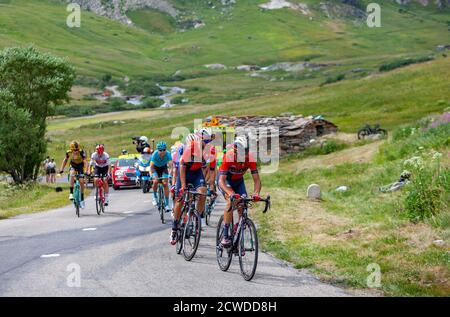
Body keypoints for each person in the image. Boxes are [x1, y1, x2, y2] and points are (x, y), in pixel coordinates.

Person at [217, 135, 262, 247]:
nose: (244, 155)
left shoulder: (250, 158)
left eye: (246, 153)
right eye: (242, 153)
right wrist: (230, 193)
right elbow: (221, 181)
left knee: (243, 204)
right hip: (226, 181)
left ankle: (239, 227)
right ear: (236, 150)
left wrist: (256, 193)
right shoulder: (229, 156)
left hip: (238, 181)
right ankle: (226, 235)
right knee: (231, 201)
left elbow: (257, 180)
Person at [170, 133, 208, 245]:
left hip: (197, 174)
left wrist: (204, 184)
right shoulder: (187, 150)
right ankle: (174, 227)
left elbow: (206, 169)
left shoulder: (204, 150)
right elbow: (181, 169)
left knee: (202, 194)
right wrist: (182, 185)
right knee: (180, 199)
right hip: (185, 173)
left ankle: (197, 217)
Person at [59, 141, 88, 209]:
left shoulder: (81, 152)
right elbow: (65, 160)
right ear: (71, 150)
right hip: (73, 165)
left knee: (81, 181)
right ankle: (71, 193)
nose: (76, 151)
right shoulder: (68, 152)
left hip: (80, 165)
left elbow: (86, 162)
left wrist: (86, 171)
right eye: (74, 150)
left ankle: (82, 199)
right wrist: (61, 169)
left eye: (77, 149)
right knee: (72, 174)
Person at [150, 141, 173, 211]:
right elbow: (151, 167)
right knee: (156, 181)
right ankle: (154, 196)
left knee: (165, 184)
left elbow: (171, 166)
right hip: (155, 168)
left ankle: (166, 204)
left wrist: (170, 174)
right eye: (160, 150)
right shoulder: (154, 154)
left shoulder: (168, 154)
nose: (162, 152)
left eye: (164, 150)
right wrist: (152, 175)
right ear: (158, 150)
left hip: (163, 168)